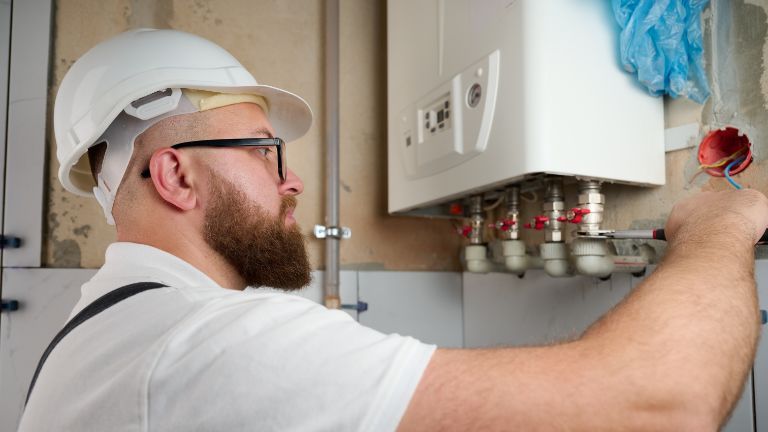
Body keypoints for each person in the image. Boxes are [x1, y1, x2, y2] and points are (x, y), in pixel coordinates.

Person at [19, 28, 768, 431]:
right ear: (176, 175)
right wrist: (721, 226)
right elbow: (663, 401)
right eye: (265, 152)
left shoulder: (109, 335)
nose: (294, 181)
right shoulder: (201, 345)